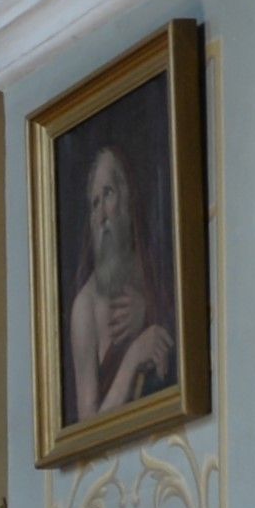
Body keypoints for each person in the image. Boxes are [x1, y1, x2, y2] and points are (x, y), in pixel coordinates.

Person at [65, 143, 176, 424]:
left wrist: (150, 310)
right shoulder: (85, 307)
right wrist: (133, 356)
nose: (102, 215)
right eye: (94, 203)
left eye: (108, 194)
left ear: (127, 198)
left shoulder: (157, 268)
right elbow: (88, 430)